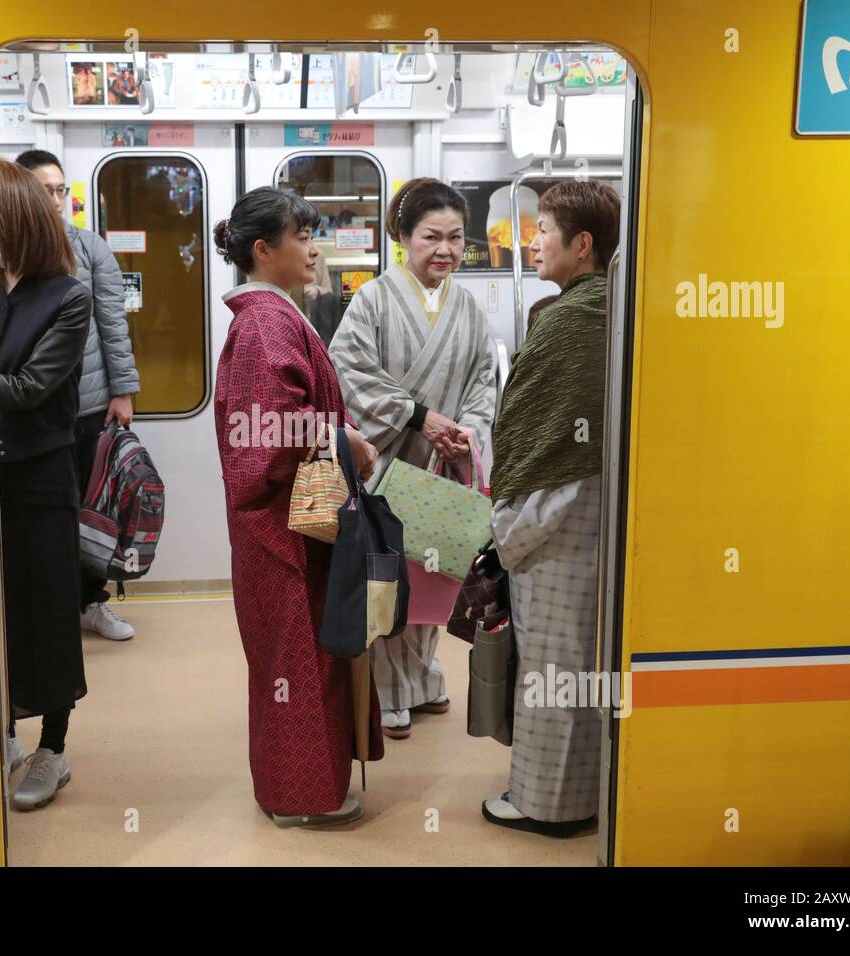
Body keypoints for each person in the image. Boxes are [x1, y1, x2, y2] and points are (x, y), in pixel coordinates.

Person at [212, 186, 382, 828]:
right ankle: (300, 798)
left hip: (292, 523)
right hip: (281, 531)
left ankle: (300, 789)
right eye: (303, 237)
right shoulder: (264, 323)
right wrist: (346, 437)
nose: (315, 249)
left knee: (301, 658)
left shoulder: (272, 316)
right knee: (297, 662)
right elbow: (266, 432)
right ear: (264, 250)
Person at [328, 178, 496, 739]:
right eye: (431, 237)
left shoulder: (468, 308)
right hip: (388, 459)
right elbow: (346, 369)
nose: (445, 249)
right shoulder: (374, 298)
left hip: (442, 464)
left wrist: (466, 434)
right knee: (390, 574)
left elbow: (483, 382)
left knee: (436, 572)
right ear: (402, 237)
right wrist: (418, 416)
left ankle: (424, 679)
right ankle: (387, 692)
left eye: (455, 238)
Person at [482, 179, 620, 837]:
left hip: (563, 502)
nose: (531, 241)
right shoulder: (609, 305)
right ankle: (586, 792)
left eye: (542, 229)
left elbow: (539, 426)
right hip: (597, 497)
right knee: (581, 658)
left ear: (583, 243)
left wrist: (507, 513)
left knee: (552, 659)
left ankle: (548, 805)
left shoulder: (570, 316)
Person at [0, 158, 91, 811]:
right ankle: (2, 732)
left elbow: (26, 391)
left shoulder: (67, 296)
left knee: (47, 611)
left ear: (12, 216)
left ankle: (53, 747)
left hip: (42, 473)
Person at [14, 150, 141, 642]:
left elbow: (113, 324)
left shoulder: (90, 250)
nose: (55, 199)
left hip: (89, 405)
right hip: (34, 409)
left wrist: (123, 391)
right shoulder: (4, 252)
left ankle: (91, 602)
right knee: (44, 513)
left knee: (93, 511)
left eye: (60, 189)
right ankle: (44, 604)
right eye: (45, 189)